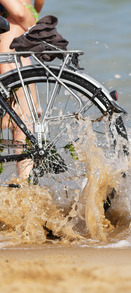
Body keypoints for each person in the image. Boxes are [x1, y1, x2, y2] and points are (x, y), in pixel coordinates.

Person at [0, 0, 44, 178]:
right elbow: (31, 9)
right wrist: (34, 24)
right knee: (26, 122)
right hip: (20, 51)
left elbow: (21, 14)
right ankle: (24, 184)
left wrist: (30, 21)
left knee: (19, 119)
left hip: (8, 48)